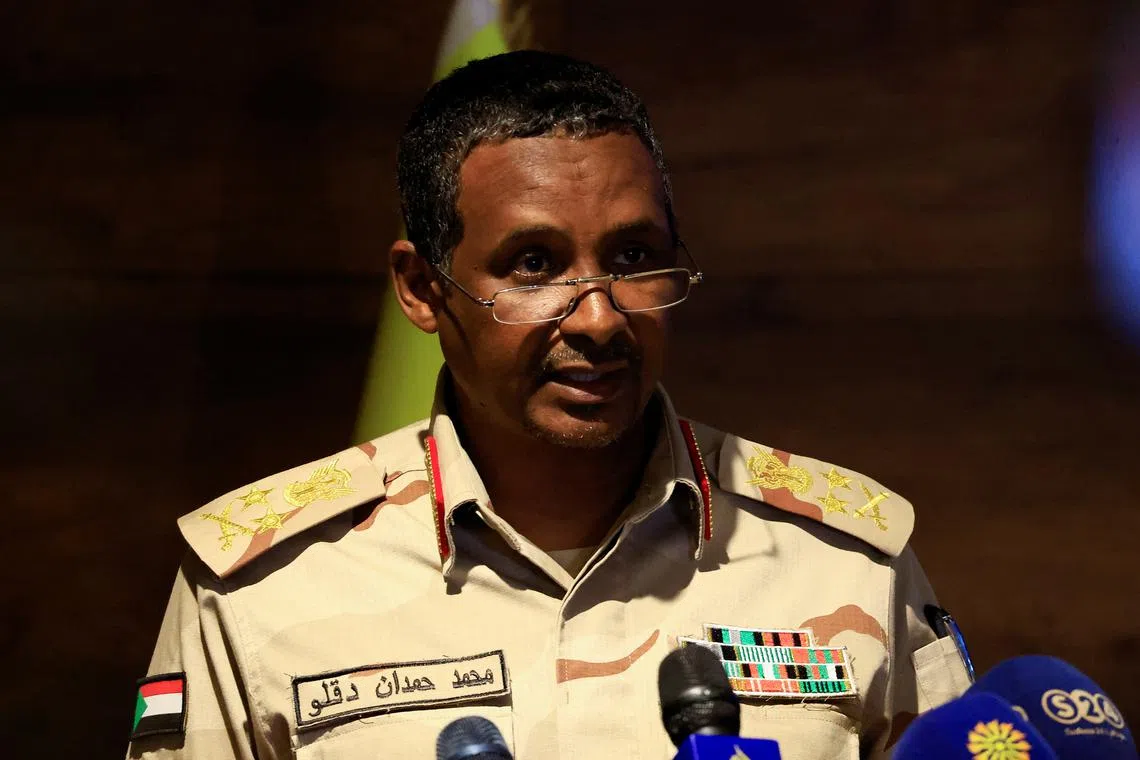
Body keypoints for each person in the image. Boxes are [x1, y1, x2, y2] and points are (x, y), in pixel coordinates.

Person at [127, 51, 971, 760]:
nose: (600, 315)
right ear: (423, 289)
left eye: (635, 255)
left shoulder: (845, 559)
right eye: (533, 265)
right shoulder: (262, 582)